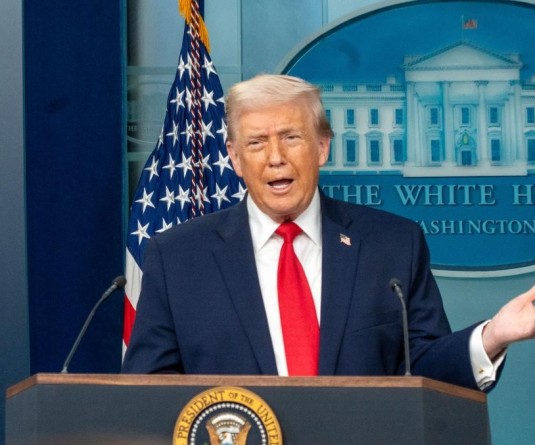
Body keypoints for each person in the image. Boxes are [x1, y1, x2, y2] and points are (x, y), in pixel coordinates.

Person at [122, 74, 535, 391]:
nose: (275, 158)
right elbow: (149, 388)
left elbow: (424, 372)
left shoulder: (393, 245)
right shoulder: (178, 257)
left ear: (322, 147)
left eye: (291, 137)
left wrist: (492, 336)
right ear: (234, 158)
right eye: (257, 143)